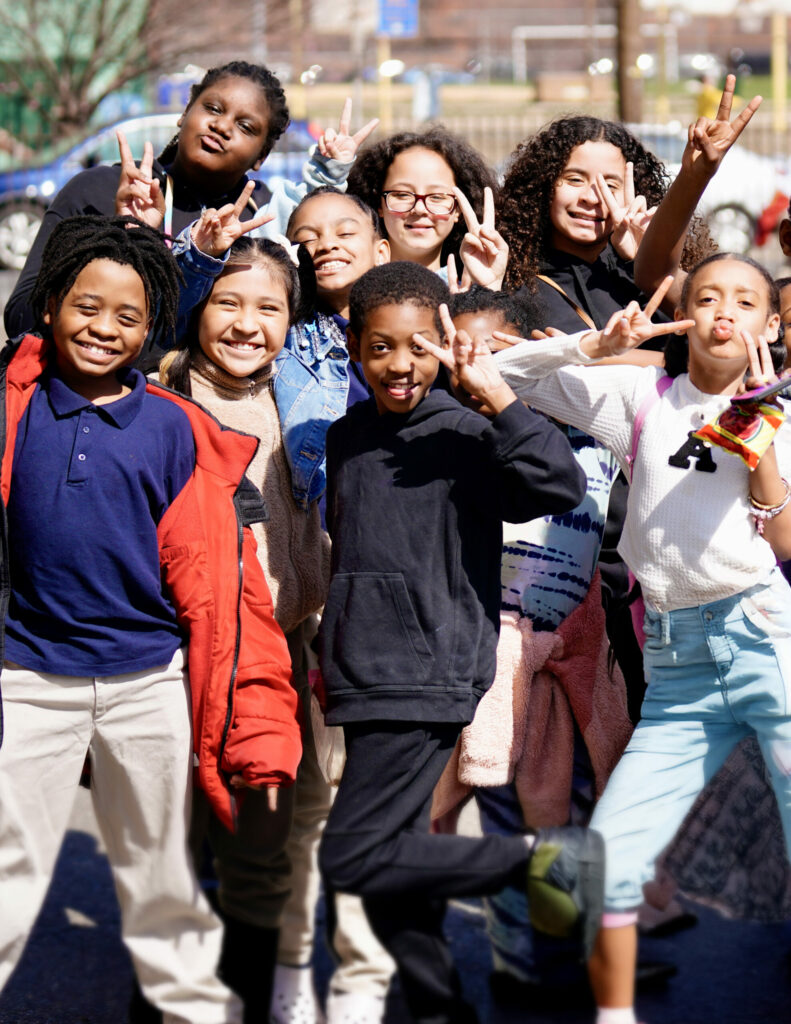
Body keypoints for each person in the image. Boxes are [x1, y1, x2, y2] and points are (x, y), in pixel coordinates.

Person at [0, 215, 301, 1022]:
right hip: (28, 678)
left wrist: (264, 738)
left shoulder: (177, 430)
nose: (103, 328)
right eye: (86, 307)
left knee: (165, 889)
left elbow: (233, 603)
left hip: (150, 684)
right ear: (50, 304)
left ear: (151, 325)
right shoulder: (12, 410)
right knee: (6, 878)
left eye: (127, 317)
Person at [492, 257, 791, 1024]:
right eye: (707, 297)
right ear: (685, 315)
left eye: (745, 301)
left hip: (762, 643)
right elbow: (500, 374)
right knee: (606, 862)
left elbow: (784, 541)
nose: (724, 311)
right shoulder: (641, 394)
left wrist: (760, 443)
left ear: (769, 325)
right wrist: (589, 348)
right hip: (677, 663)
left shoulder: (780, 410)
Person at [316, 259, 602, 1024]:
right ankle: (439, 1006)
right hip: (361, 670)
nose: (399, 365)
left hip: (423, 670)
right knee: (390, 870)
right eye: (380, 348)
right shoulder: (345, 438)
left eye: (416, 346)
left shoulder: (467, 430)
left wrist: (499, 400)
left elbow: (557, 485)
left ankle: (543, 860)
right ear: (355, 351)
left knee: (350, 855)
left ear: (442, 343)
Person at [4, 60, 376, 362]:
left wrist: (330, 170)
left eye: (246, 126)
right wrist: (124, 237)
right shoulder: (100, 190)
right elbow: (21, 316)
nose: (222, 126)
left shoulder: (259, 218)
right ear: (184, 114)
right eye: (212, 108)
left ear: (262, 156)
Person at [346, 126, 497, 276]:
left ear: (458, 209)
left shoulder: (469, 293)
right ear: (380, 204)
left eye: (437, 197)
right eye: (402, 195)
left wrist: (487, 289)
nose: (419, 209)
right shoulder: (347, 286)